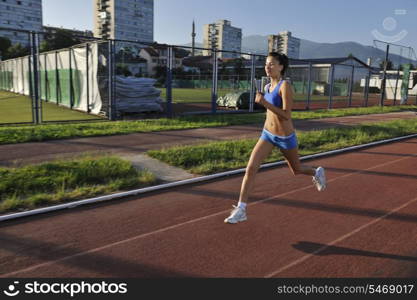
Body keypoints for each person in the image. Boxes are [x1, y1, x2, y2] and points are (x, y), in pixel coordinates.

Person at [224, 52, 326, 224]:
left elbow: (287, 115)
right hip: (267, 135)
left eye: (272, 64)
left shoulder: (285, 86)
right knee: (250, 168)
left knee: (297, 169)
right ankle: (241, 209)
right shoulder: (266, 87)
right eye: (266, 64)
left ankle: (316, 172)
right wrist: (265, 105)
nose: (268, 67)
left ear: (281, 67)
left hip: (285, 137)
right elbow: (270, 114)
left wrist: (264, 103)